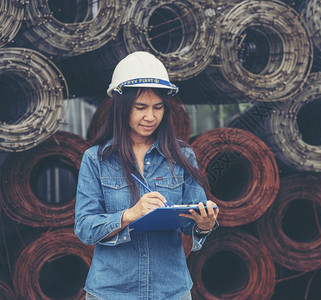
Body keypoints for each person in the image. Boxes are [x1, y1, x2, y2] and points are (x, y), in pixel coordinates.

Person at [74, 51, 219, 300]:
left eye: (158, 107)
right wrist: (131, 214)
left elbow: (192, 220)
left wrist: (203, 225)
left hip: (170, 290)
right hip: (111, 291)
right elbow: (85, 227)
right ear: (121, 106)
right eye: (140, 107)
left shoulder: (182, 156)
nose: (150, 117)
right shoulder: (96, 159)